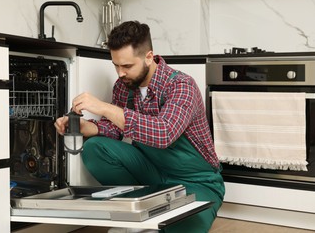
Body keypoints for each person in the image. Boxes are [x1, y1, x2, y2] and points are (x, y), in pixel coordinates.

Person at [54, 21, 225, 233]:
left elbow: (164, 133)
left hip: (195, 182)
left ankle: (148, 217)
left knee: (183, 226)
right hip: (151, 173)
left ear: (149, 57)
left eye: (127, 66)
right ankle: (138, 207)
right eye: (116, 65)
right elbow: (115, 129)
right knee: (95, 148)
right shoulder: (125, 86)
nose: (120, 73)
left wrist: (104, 107)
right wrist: (88, 127)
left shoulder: (181, 85)